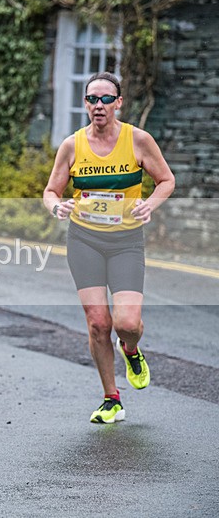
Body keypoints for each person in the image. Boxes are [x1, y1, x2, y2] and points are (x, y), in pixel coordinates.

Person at [44, 72, 175, 424]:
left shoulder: (138, 140)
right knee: (99, 323)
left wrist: (150, 204)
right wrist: (57, 207)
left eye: (105, 99)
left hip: (126, 241)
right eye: (91, 99)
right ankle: (111, 398)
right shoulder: (72, 145)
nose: (98, 105)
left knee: (127, 322)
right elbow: (51, 191)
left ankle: (130, 349)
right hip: (84, 239)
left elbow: (166, 180)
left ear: (119, 102)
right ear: (85, 104)